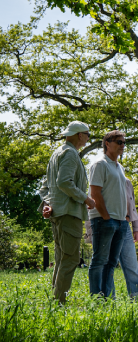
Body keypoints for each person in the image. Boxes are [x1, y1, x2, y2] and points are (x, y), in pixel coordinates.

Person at [38, 121, 97, 304]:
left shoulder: (57, 153)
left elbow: (45, 187)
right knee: (70, 259)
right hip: (69, 213)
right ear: (80, 135)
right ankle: (59, 302)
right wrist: (86, 198)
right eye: (88, 134)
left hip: (58, 214)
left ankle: (56, 301)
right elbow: (64, 182)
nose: (88, 138)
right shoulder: (70, 154)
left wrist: (48, 204)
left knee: (61, 258)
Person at [84, 169, 138, 298]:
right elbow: (92, 206)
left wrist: (136, 227)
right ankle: (109, 298)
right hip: (106, 224)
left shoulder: (127, 182)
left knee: (131, 264)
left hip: (125, 225)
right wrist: (90, 232)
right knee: (106, 264)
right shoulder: (101, 179)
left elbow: (132, 206)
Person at [87, 130, 130, 297]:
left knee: (111, 263)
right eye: (119, 142)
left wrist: (124, 218)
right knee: (99, 261)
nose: (122, 145)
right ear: (107, 143)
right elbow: (95, 193)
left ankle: (107, 299)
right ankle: (95, 299)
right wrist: (106, 217)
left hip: (120, 221)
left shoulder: (120, 167)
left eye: (124, 142)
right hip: (104, 220)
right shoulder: (100, 164)